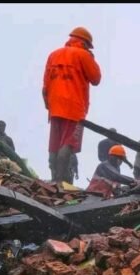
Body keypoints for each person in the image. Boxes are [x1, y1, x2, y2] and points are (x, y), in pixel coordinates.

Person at [43, 26, 101, 184]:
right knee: (67, 144)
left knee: (54, 146)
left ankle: (54, 180)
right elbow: (96, 79)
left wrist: (49, 105)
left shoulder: (53, 55)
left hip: (55, 107)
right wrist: (91, 58)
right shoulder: (83, 54)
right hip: (74, 108)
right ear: (85, 43)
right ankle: (60, 183)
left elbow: (45, 86)